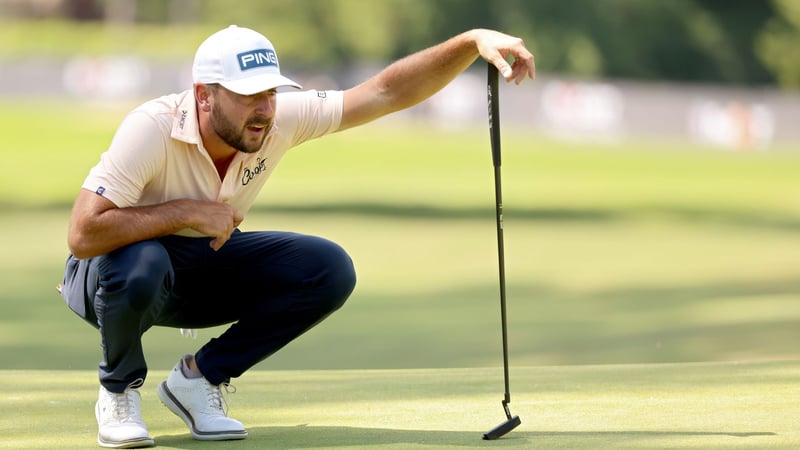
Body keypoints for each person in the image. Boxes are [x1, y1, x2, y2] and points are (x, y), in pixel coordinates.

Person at [59, 24, 535, 448]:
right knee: (145, 262)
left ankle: (199, 380)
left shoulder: (279, 117)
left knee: (327, 269)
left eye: (270, 92)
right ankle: (118, 392)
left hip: (197, 267)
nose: (264, 109)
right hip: (109, 275)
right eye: (248, 96)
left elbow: (386, 93)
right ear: (204, 95)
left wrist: (471, 42)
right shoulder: (152, 127)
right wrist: (185, 212)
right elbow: (83, 233)